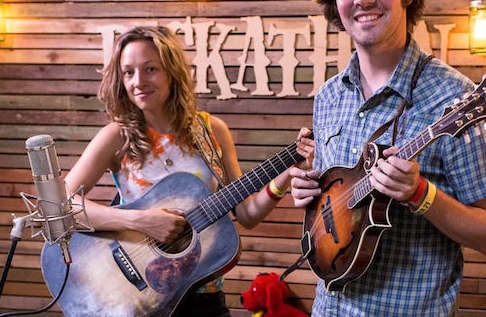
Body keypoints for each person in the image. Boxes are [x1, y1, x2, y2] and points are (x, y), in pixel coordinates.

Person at [288, 0, 486, 316]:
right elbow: (338, 198)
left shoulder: (456, 98)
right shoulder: (328, 96)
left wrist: (421, 195)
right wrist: (312, 195)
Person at [64, 25, 314, 317]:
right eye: (128, 72)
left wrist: (287, 171)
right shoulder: (116, 137)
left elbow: (246, 215)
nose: (138, 82)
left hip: (204, 293)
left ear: (172, 72)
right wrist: (140, 221)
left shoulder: (211, 132)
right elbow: (60, 204)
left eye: (150, 69)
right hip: (139, 301)